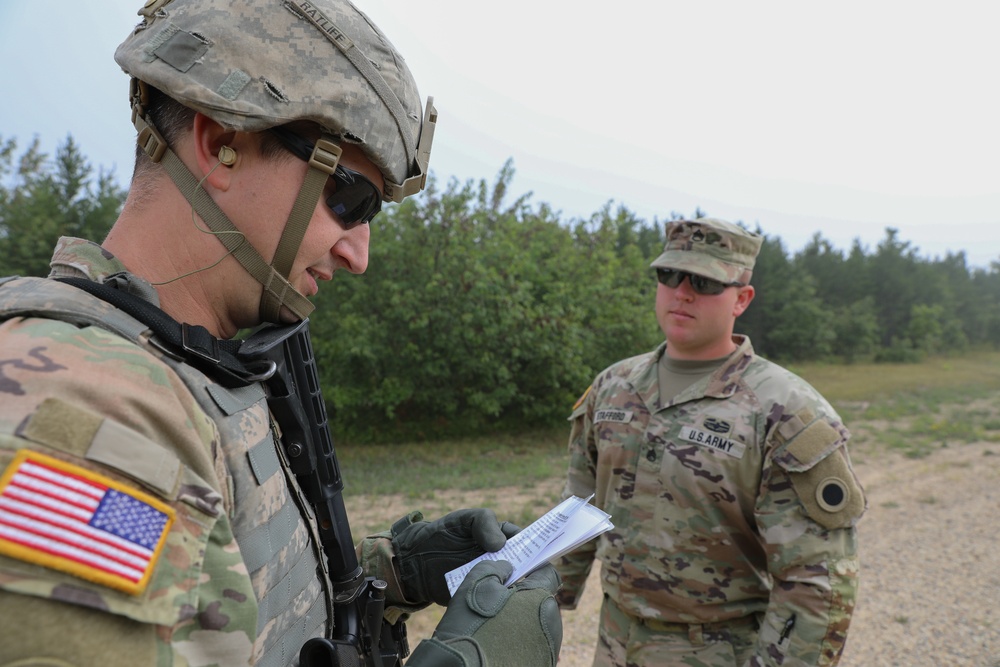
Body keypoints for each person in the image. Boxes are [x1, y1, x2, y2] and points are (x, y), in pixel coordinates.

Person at [0, 1, 560, 665]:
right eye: (350, 199)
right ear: (220, 143)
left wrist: (396, 568)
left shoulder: (200, 362)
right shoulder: (87, 419)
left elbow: (222, 599)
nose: (360, 254)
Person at [554, 218, 865, 667]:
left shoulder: (786, 412)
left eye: (704, 281)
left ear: (742, 298)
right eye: (669, 275)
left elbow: (815, 583)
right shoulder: (614, 385)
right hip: (616, 640)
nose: (682, 292)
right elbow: (578, 506)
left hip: (718, 650)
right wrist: (535, 599)